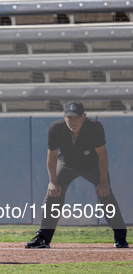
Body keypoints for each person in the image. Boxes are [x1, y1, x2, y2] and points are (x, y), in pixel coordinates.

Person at [25, 100, 128, 249]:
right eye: (70, 117)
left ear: (84, 116)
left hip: (92, 165)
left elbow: (102, 154)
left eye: (76, 117)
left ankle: (120, 237)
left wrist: (103, 181)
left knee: (106, 194)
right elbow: (51, 156)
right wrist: (53, 181)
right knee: (53, 194)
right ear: (64, 116)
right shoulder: (56, 127)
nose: (73, 121)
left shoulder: (95, 127)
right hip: (66, 163)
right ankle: (43, 238)